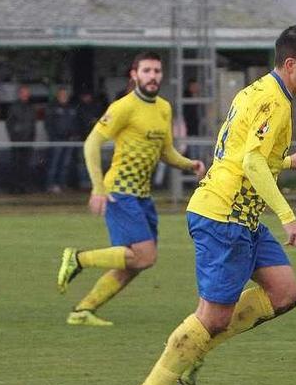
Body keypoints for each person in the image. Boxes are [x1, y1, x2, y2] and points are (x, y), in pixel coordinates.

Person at [119, 25, 296, 385]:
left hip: (242, 216)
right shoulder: (274, 102)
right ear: (292, 64)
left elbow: (243, 155)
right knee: (211, 318)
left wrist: (289, 162)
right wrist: (288, 217)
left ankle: (196, 350)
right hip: (224, 217)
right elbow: (250, 162)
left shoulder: (258, 91)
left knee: (285, 292)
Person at [56, 52, 206, 326]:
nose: (152, 76)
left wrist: (189, 165)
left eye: (157, 71)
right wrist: (99, 189)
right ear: (134, 75)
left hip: (142, 196)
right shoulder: (123, 106)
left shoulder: (163, 108)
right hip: (119, 192)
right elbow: (91, 144)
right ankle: (78, 259)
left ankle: (82, 311)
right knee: (144, 256)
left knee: (135, 263)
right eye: (146, 70)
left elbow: (166, 151)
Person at [44, 87, 79, 193]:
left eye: (65, 95)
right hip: (57, 139)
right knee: (54, 163)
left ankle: (62, 184)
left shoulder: (72, 108)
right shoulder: (52, 107)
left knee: (65, 164)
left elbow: (75, 123)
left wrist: (74, 134)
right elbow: (48, 124)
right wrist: (53, 136)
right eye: (62, 94)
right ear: (58, 96)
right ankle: (50, 185)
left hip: (69, 140)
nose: (64, 97)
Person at [4, 85, 37, 193]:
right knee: (16, 165)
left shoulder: (31, 107)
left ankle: (24, 186)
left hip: (28, 141)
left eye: (27, 92)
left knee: (26, 165)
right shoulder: (14, 107)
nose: (26, 95)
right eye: (24, 92)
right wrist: (14, 138)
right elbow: (9, 124)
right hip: (17, 141)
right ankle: (14, 187)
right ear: (20, 93)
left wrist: (32, 138)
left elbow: (33, 124)